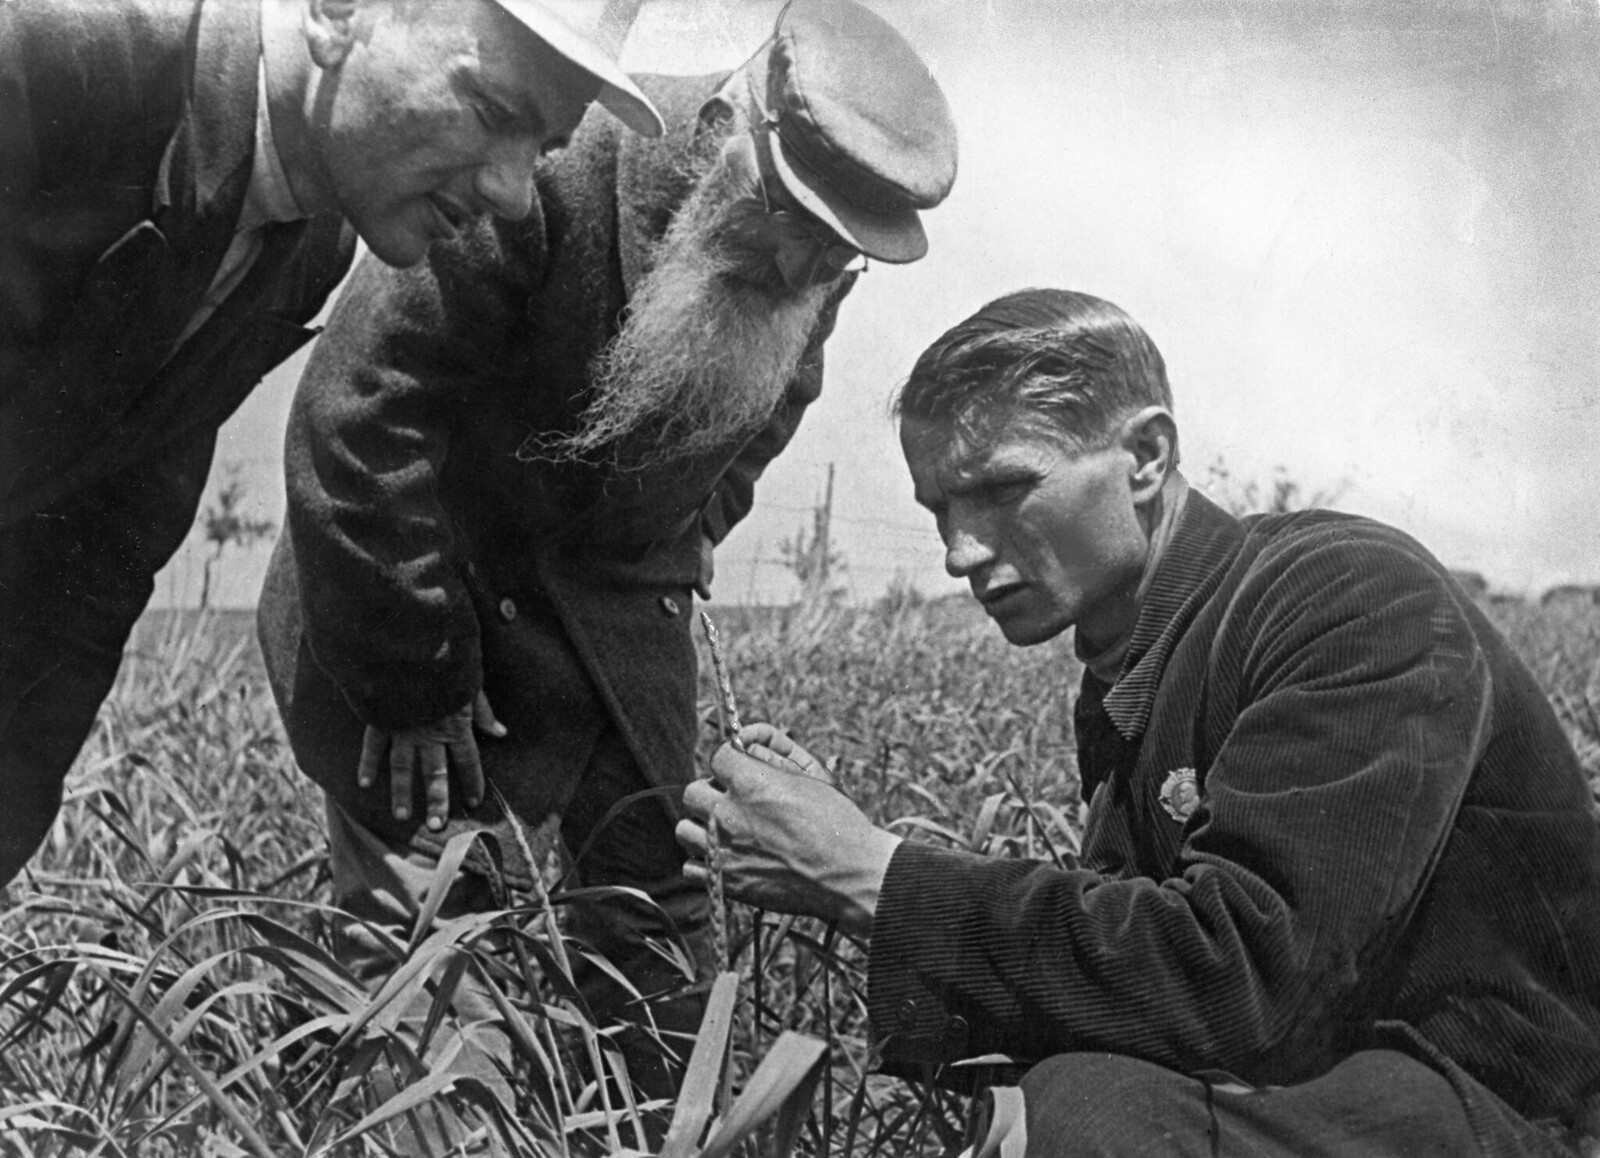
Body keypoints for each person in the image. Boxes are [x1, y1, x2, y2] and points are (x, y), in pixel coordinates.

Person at [677, 289, 1600, 1157]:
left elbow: (1243, 979)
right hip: (1343, 1075)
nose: (959, 551)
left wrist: (868, 872)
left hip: (1509, 1104)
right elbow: (1132, 970)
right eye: (940, 510)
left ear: (1148, 457)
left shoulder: (1346, 597)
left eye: (1002, 490)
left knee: (1087, 1114)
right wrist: (847, 859)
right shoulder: (1140, 654)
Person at [254, 0, 958, 1119]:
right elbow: (361, 420)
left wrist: (660, 557)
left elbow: (747, 444)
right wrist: (413, 681)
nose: (797, 263)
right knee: (431, 934)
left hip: (612, 624)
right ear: (734, 123)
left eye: (835, 250)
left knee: (659, 926)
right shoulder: (543, 172)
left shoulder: (804, 274)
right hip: (414, 606)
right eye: (792, 217)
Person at [0, 0, 663, 887]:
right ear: (337, 14)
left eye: (542, 148)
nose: (512, 191)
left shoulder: (311, 244)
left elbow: (97, 565)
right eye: (494, 112)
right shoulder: (49, 52)